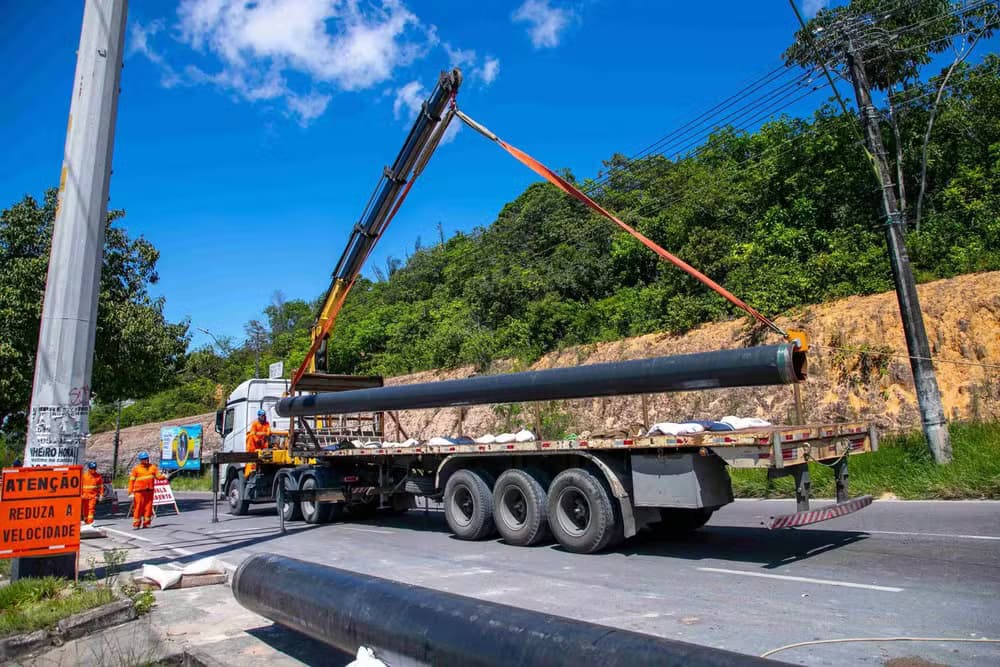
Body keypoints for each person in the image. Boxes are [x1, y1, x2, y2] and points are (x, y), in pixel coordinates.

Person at [127, 451, 164, 529]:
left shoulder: (153, 467)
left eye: (147, 458)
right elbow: (131, 481)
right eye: (144, 459)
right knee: (138, 508)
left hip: (149, 491)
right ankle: (136, 524)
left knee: (148, 507)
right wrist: (130, 492)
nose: (146, 460)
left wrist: (164, 476)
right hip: (139, 492)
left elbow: (159, 477)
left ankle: (146, 523)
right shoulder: (136, 469)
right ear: (141, 460)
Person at [244, 409, 271, 478]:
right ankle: (249, 472)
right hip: (254, 445)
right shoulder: (255, 424)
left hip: (262, 444)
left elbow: (268, 431)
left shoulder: (267, 423)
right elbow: (253, 433)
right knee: (250, 437)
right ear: (259, 416)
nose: (263, 417)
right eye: (262, 416)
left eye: (264, 416)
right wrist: (257, 439)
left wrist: (266, 434)